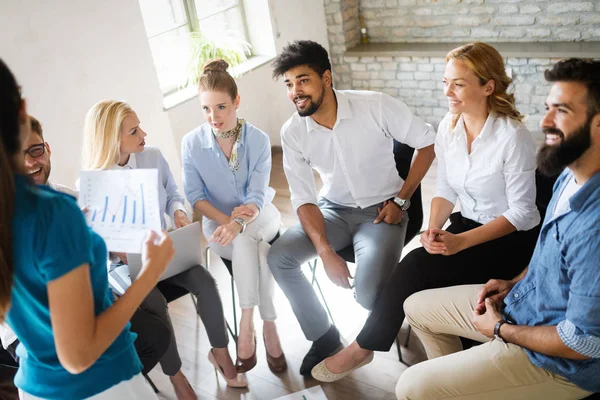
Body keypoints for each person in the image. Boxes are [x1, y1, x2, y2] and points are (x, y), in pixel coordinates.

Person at [312, 42, 542, 381]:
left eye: (458, 83)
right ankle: (453, 364)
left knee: (415, 266)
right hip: (465, 225)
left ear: (488, 86)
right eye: (445, 81)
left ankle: (364, 347)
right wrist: (432, 228)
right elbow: (446, 188)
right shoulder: (450, 125)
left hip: (509, 238)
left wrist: (461, 242)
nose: (448, 91)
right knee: (422, 262)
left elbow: (523, 214)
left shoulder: (513, 137)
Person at [395, 58, 600, 400]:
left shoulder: (594, 227)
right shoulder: (571, 174)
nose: (546, 121)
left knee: (411, 387)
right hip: (525, 304)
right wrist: (515, 282)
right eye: (547, 108)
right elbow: (550, 257)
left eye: (561, 111)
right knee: (416, 306)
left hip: (559, 364)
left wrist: (502, 330)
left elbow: (582, 343)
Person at [0, 58, 173, 399]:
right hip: (98, 384)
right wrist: (151, 272)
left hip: (38, 386)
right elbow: (78, 356)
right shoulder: (52, 211)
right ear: (20, 106)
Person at [268, 40, 437, 375]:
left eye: (303, 80)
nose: (295, 92)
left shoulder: (375, 105)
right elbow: (303, 197)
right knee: (279, 257)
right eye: (289, 84)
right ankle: (324, 336)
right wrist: (325, 250)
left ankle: (383, 332)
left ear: (326, 78)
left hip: (382, 212)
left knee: (367, 295)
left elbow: (429, 142)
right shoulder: (293, 132)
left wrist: (402, 199)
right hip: (333, 211)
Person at [81, 100, 248, 394]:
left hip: (162, 249)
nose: (143, 134)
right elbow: (93, 243)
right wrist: (113, 248)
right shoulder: (92, 184)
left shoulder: (153, 157)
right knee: (155, 303)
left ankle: (220, 353)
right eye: (134, 131)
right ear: (113, 139)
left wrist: (178, 212)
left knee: (205, 281)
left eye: (139, 126)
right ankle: (176, 375)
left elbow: (172, 194)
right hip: (124, 264)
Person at [182, 59, 286, 374]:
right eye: (206, 109)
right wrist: (228, 222)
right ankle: (269, 326)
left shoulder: (257, 139)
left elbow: (256, 194)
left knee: (249, 235)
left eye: (221, 107)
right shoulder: (192, 144)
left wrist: (239, 221)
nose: (213, 116)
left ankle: (247, 320)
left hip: (261, 216)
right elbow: (195, 197)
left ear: (237, 102)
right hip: (221, 229)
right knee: (255, 248)